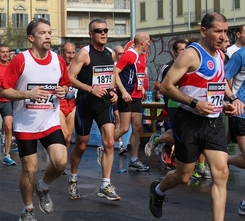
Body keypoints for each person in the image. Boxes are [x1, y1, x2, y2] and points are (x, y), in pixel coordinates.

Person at [149, 12, 236, 221]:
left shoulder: (220, 55)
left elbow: (219, 81)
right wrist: (195, 103)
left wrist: (228, 101)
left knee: (221, 174)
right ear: (204, 32)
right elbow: (166, 87)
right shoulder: (191, 54)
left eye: (225, 31)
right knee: (184, 175)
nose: (223, 36)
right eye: (218, 31)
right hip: (188, 120)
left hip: (213, 122)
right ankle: (158, 190)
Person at [0, 18, 70, 221]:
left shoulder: (58, 60)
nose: (48, 36)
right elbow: (4, 91)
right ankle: (27, 210)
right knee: (29, 169)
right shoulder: (21, 60)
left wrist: (63, 90)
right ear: (31, 38)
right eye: (42, 33)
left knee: (60, 163)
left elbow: (66, 85)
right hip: (25, 124)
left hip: (49, 121)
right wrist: (27, 94)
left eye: (49, 32)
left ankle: (43, 186)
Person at [68, 18, 119, 201]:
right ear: (91, 34)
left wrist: (113, 91)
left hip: (104, 104)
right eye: (99, 31)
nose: (104, 33)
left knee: (110, 142)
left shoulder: (111, 54)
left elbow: (111, 75)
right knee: (81, 145)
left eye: (105, 30)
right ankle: (73, 178)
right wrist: (90, 89)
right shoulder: (84, 53)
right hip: (85, 104)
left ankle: (105, 184)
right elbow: (69, 77)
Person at [225, 16, 245, 218]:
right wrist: (234, 98)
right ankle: (223, 159)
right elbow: (224, 79)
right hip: (244, 112)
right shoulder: (242, 55)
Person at [113, 32, 151, 171]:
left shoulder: (142, 56)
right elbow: (115, 72)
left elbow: (137, 75)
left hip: (136, 96)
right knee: (124, 128)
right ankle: (105, 145)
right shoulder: (129, 55)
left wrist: (142, 90)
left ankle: (134, 160)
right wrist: (123, 92)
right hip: (126, 95)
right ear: (142, 43)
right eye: (148, 41)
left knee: (137, 128)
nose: (149, 44)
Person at [59, 41, 77, 151]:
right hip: (59, 104)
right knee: (64, 135)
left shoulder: (77, 67)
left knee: (69, 138)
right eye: (68, 53)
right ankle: (57, 162)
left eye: (73, 53)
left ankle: (62, 164)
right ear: (62, 52)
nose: (71, 56)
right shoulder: (58, 66)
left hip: (72, 103)